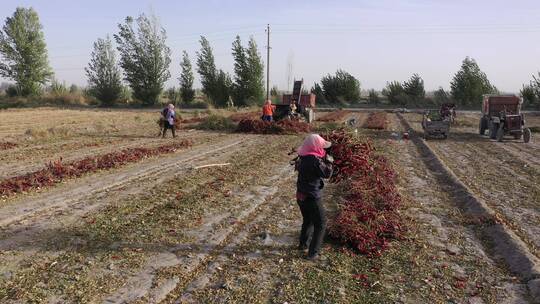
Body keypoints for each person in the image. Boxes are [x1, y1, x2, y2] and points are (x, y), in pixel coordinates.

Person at [295, 134, 333, 260]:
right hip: (312, 197)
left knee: (308, 220)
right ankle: (313, 253)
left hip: (301, 196)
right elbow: (326, 173)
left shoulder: (303, 157)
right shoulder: (315, 161)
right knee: (321, 223)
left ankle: (303, 245)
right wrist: (329, 161)